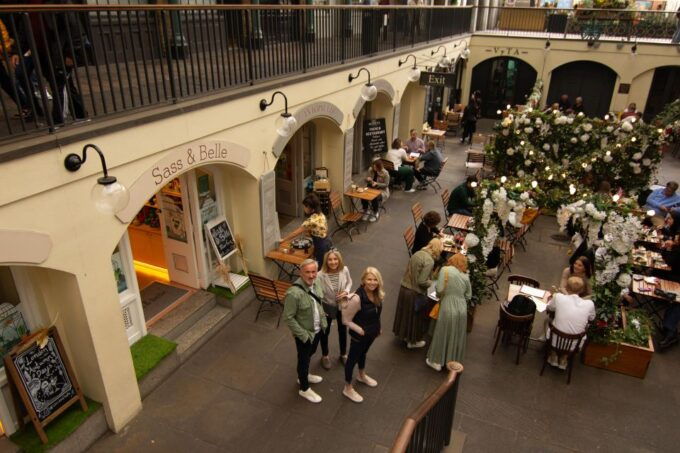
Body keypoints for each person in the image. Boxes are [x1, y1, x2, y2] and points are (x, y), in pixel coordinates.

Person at [282, 259, 328, 403]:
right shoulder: (293, 293)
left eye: (313, 271)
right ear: (300, 273)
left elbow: (319, 302)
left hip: (318, 329)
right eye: (307, 272)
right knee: (303, 359)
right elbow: (288, 317)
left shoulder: (317, 283)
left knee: (310, 354)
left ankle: (304, 374)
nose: (311, 275)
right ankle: (304, 388)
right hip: (306, 334)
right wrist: (303, 336)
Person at [342, 267, 384, 403]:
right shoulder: (356, 298)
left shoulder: (377, 294)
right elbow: (345, 320)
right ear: (363, 280)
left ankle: (361, 376)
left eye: (375, 279)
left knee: (363, 354)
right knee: (352, 360)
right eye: (369, 279)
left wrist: (378, 328)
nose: (372, 282)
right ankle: (347, 388)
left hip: (371, 333)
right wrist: (359, 330)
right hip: (359, 335)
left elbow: (376, 313)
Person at [393, 238, 442, 349]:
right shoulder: (429, 260)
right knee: (415, 318)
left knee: (405, 315)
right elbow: (422, 281)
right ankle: (413, 341)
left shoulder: (418, 253)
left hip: (404, 288)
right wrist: (432, 282)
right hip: (414, 292)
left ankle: (405, 336)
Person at [426, 253, 472, 371]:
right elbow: (468, 296)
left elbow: (440, 289)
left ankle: (435, 361)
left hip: (447, 306)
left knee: (442, 333)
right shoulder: (465, 276)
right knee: (455, 335)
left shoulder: (445, 270)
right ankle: (451, 362)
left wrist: (440, 294)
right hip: (461, 309)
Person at [546, 277, 595, 369]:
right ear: (581, 290)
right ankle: (564, 358)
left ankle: (554, 355)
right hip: (574, 344)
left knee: (547, 322)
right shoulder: (589, 304)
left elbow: (550, 308)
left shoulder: (558, 297)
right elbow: (592, 318)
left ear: (567, 287)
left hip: (555, 339)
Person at [317, 249, 352, 368]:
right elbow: (317, 290)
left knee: (343, 330)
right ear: (326, 261)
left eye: (335, 259)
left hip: (341, 305)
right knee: (324, 331)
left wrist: (346, 292)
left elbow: (349, 282)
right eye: (330, 259)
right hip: (327, 306)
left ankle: (343, 354)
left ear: (339, 260)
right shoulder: (320, 275)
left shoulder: (344, 270)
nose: (333, 262)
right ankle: (325, 356)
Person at [280, 193, 333, 267]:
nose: (304, 209)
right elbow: (321, 229)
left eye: (304, 207)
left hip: (321, 246)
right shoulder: (320, 214)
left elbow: (296, 232)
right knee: (324, 266)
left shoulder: (311, 220)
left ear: (309, 207)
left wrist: (283, 239)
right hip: (327, 241)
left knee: (320, 268)